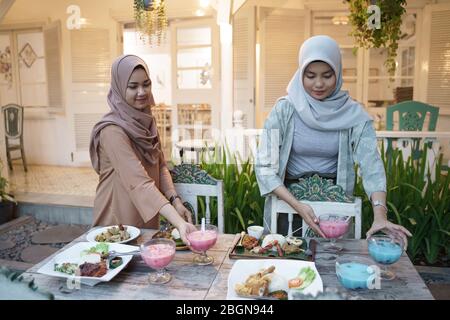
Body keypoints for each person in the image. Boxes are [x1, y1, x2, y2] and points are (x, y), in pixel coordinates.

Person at [255, 35, 412, 247]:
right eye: (310, 76)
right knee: (288, 263)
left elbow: (371, 165)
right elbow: (264, 166)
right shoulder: (284, 109)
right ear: (300, 73)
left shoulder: (353, 114)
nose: (318, 84)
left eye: (327, 76)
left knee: (331, 261)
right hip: (289, 204)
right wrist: (298, 206)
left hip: (334, 206)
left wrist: (380, 214)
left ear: (337, 74)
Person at [89, 54, 196, 245]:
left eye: (146, 84)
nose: (142, 92)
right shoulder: (111, 131)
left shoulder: (147, 121)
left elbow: (160, 165)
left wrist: (175, 200)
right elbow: (139, 181)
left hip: (145, 217)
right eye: (133, 86)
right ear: (120, 88)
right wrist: (178, 222)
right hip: (116, 222)